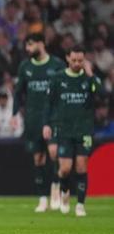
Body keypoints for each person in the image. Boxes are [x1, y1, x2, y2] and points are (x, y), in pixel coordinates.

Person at [43, 46, 103, 217]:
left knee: (82, 166)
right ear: (67, 58)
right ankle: (64, 192)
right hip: (64, 129)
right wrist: (46, 124)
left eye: (80, 60)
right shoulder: (57, 78)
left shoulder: (88, 78)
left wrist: (90, 73)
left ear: (84, 60)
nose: (77, 63)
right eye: (74, 60)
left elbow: (101, 92)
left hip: (84, 129)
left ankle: (80, 205)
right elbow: (49, 103)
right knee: (65, 169)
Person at [12, 33, 65, 212]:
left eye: (31, 44)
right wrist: (14, 114)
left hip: (53, 117)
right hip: (33, 119)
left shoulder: (57, 65)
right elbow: (18, 93)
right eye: (27, 45)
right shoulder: (25, 66)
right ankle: (42, 199)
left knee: (54, 153)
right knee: (38, 158)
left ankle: (56, 189)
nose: (28, 49)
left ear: (42, 44)